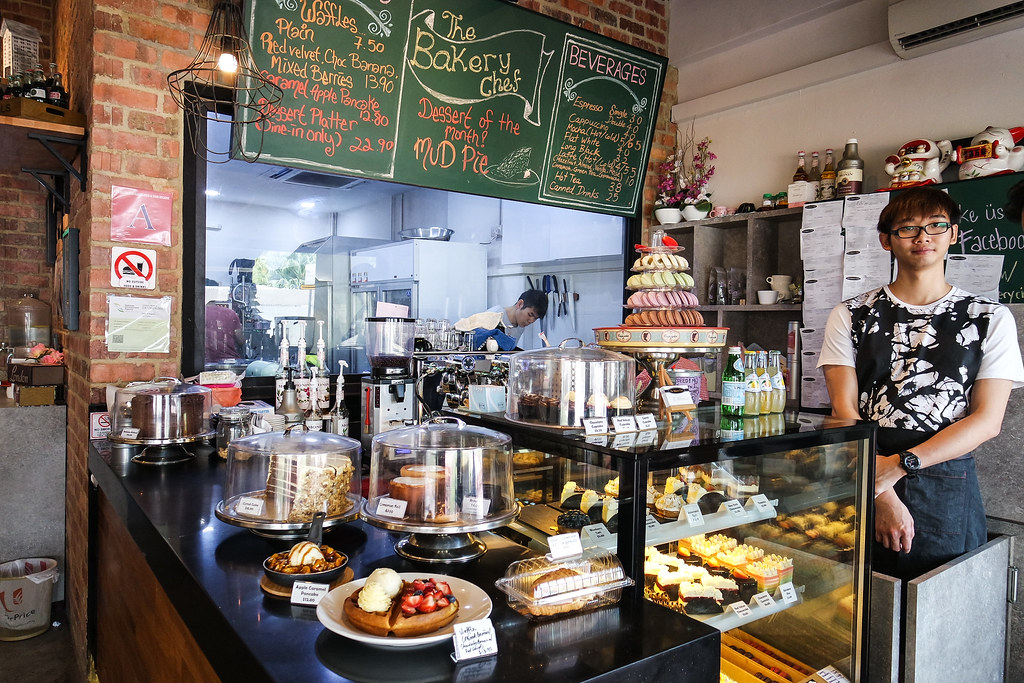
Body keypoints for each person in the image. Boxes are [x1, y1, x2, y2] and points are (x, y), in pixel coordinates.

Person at [818, 186, 1024, 580]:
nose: (923, 237)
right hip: (865, 465)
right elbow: (844, 414)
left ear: (954, 234)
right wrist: (881, 492)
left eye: (935, 226)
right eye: (907, 228)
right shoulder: (851, 315)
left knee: (939, 607)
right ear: (886, 240)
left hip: (946, 476)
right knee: (859, 603)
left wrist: (899, 467)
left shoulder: (989, 317)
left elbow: (987, 420)